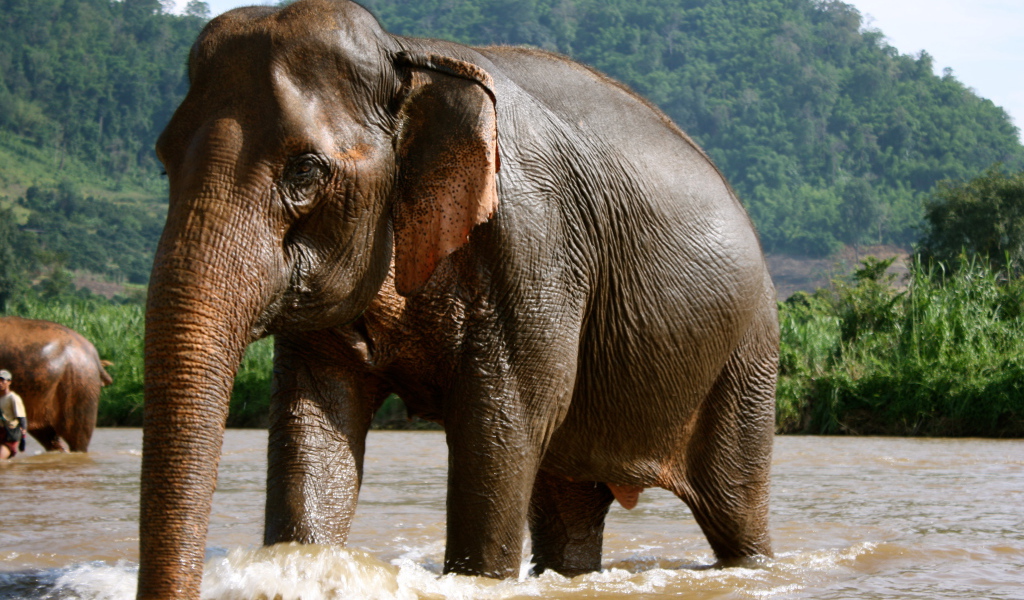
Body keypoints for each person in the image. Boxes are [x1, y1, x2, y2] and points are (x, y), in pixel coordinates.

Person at [0, 369, 27, 459]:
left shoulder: (13, 398)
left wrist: (23, 438)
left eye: (2, 380)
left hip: (10, 434)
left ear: (9, 382)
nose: (0, 383)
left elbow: (22, 418)